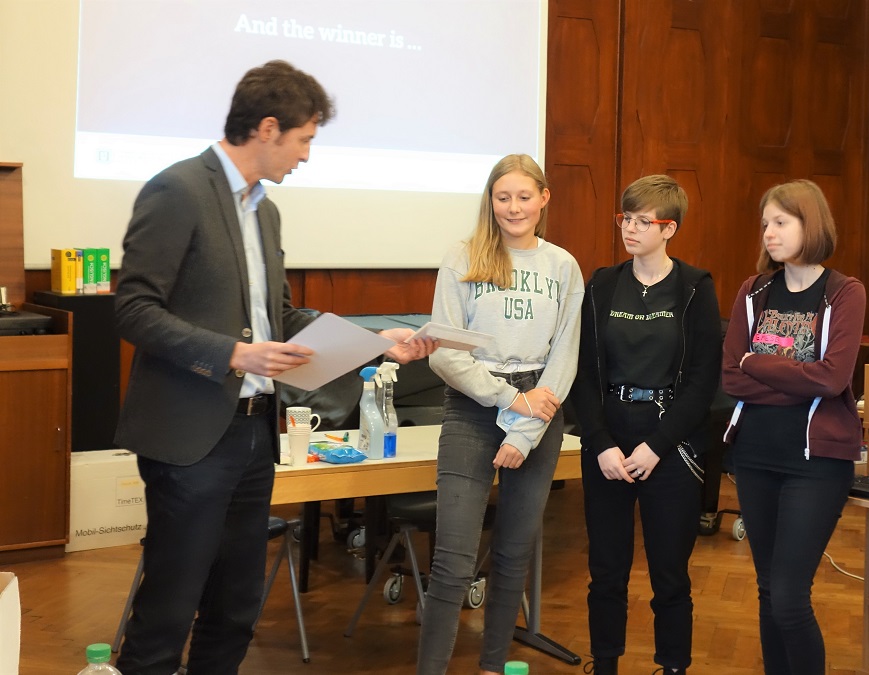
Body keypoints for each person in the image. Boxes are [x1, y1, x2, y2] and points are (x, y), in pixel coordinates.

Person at [113, 60, 433, 675]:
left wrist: (373, 341)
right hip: (190, 438)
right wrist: (232, 353)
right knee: (169, 610)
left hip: (255, 434)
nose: (307, 155)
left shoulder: (266, 212)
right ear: (267, 129)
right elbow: (133, 310)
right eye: (304, 139)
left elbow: (279, 318)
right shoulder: (178, 190)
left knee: (236, 609)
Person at [418, 154, 584, 675]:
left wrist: (525, 431)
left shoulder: (563, 266)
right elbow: (445, 354)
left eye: (524, 196)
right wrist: (508, 401)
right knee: (452, 561)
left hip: (541, 408)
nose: (513, 207)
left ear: (544, 198)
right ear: (490, 201)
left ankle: (493, 667)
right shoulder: (463, 257)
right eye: (503, 197)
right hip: (472, 405)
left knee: (513, 554)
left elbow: (565, 357)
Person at [570, 175, 722, 675]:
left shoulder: (695, 287)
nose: (630, 229)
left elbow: (702, 382)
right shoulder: (602, 284)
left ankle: (673, 665)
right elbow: (582, 372)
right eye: (625, 218)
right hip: (608, 438)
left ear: (669, 228)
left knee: (670, 574)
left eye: (642, 221)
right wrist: (599, 443)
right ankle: (605, 663)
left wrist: (657, 446)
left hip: (669, 440)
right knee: (605, 571)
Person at [721, 179, 865, 675]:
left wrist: (759, 364)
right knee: (767, 591)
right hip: (755, 456)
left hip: (816, 465)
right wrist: (798, 378)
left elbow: (832, 378)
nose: (769, 233)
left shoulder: (844, 293)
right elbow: (731, 376)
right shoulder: (754, 291)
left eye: (781, 222)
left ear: (811, 224)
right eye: (765, 223)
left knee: (788, 596)